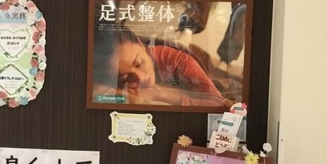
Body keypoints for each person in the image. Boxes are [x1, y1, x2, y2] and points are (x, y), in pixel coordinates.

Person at [92, 27, 228, 107]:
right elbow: (99, 97)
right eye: (125, 78)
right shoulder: (103, 76)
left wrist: (160, 94)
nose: (141, 78)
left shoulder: (176, 59)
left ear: (141, 45)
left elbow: (219, 103)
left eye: (139, 63)